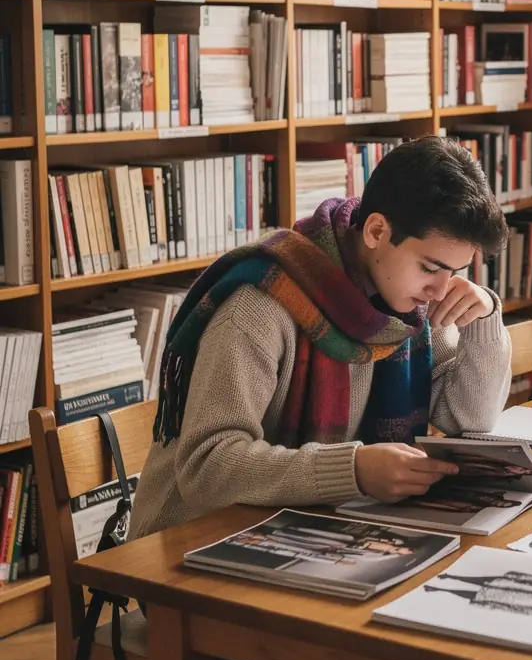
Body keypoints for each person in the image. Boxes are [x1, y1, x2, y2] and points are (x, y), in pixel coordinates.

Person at [129, 136, 512, 541]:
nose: (440, 290)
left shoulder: (406, 305)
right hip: (190, 544)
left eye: (453, 273)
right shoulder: (260, 305)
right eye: (430, 267)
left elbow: (469, 419)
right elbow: (207, 467)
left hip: (313, 529)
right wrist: (354, 470)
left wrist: (483, 317)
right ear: (377, 231)